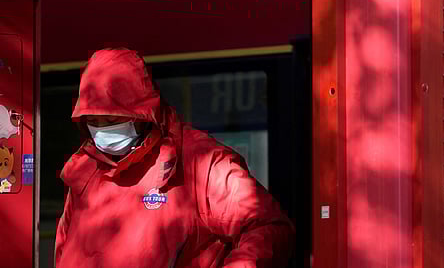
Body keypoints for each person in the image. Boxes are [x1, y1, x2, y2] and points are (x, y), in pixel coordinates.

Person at [54, 48, 294, 267]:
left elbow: (268, 227)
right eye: (93, 122)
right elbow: (64, 250)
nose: (102, 131)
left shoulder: (199, 161)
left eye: (112, 120)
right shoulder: (84, 171)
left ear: (142, 114)